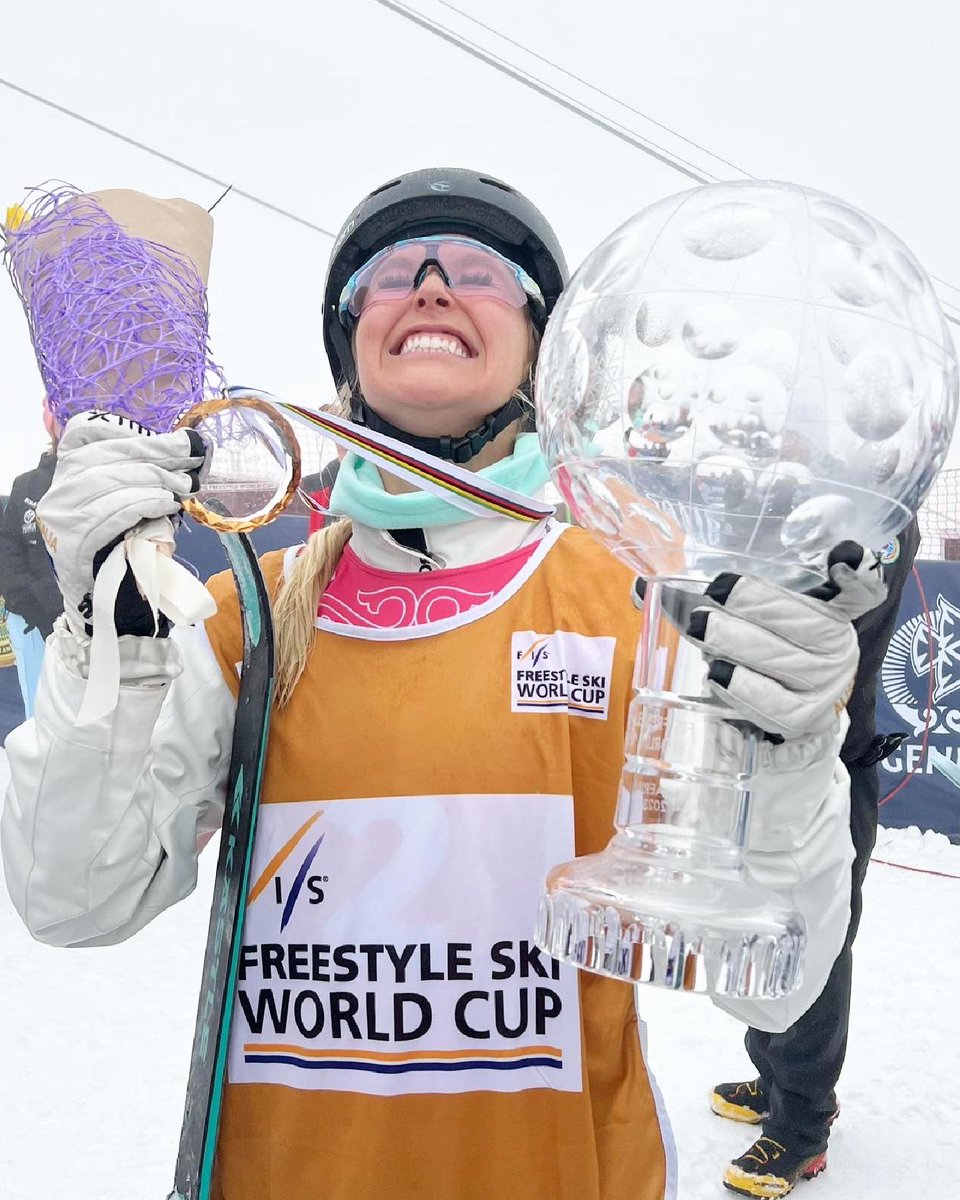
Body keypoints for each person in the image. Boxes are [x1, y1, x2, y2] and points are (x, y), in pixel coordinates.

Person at [1, 168, 883, 1200]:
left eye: (478, 271)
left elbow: (780, 997)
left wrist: (787, 756)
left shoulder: (636, 602)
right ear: (349, 345)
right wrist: (109, 635)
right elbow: (73, 900)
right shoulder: (252, 609)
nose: (427, 287)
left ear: (541, 355)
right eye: (389, 276)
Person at [710, 520, 919, 1199]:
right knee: (758, 924)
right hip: (753, 760)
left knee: (817, 940)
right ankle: (772, 1072)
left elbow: (842, 607)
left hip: (825, 765)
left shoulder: (874, 506)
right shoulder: (780, 498)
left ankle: (804, 1119)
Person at [0, 397, 63, 718]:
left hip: (95, 628)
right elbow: (8, 550)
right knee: (41, 723)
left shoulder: (109, 484)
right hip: (33, 623)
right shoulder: (27, 484)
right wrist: (36, 606)